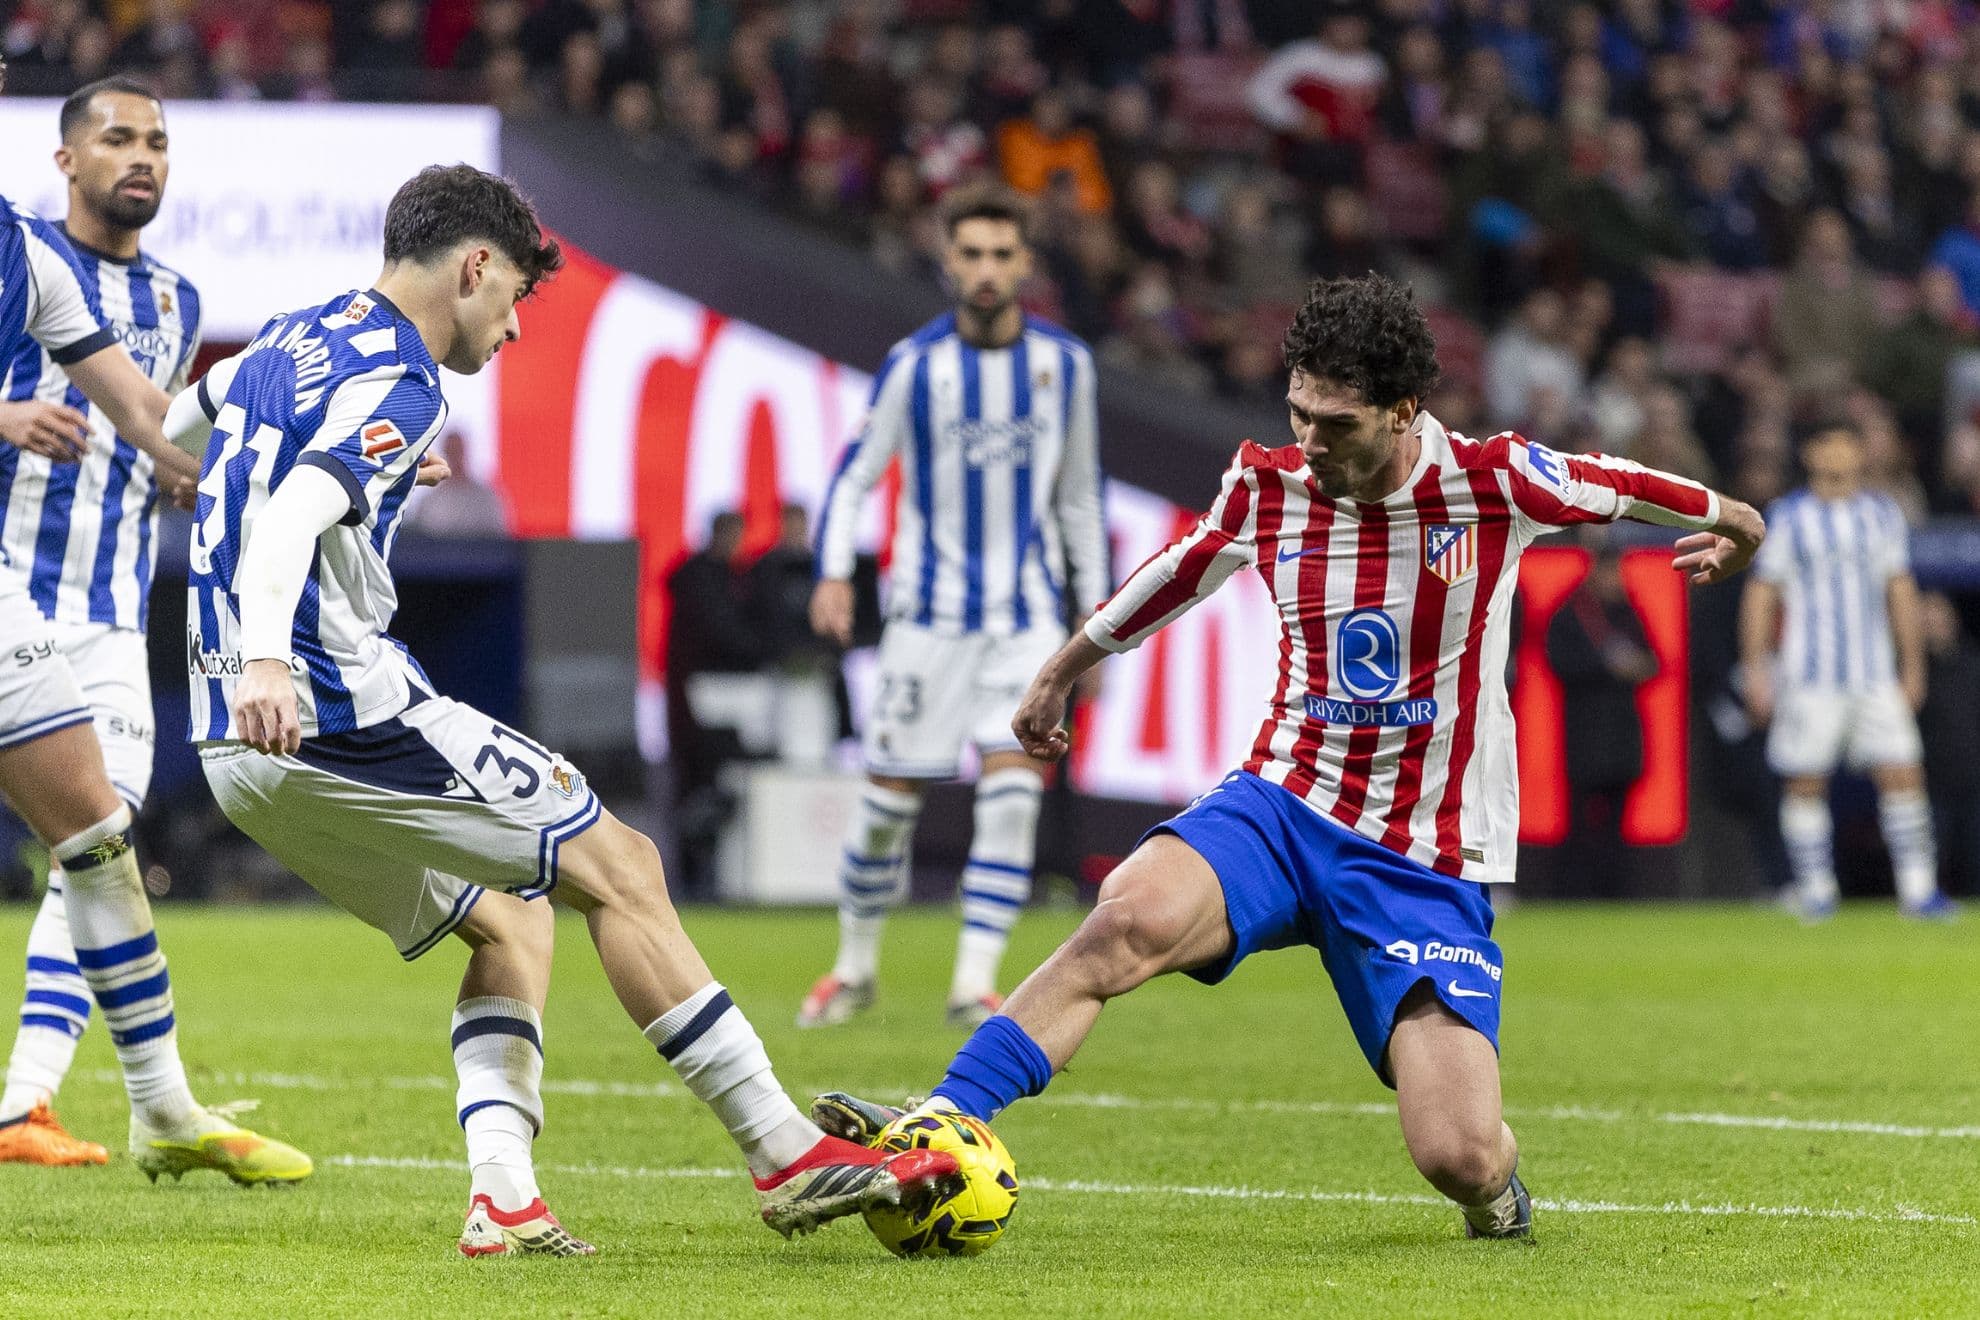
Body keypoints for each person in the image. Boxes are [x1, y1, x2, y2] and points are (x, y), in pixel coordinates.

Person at [810, 274, 1767, 1241]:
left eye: (1335, 424)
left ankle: (1499, 1195)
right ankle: (941, 1118)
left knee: (1459, 1155)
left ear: (1405, 411)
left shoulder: (1493, 480)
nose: (1310, 441)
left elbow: (1627, 484)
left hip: (1418, 855)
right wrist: (1062, 671)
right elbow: (1178, 571)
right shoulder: (1269, 485)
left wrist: (1737, 520)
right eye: (1299, 412)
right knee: (1123, 923)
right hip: (1281, 802)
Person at [173, 164, 961, 1256]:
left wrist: (234, 489)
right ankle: (783, 1149)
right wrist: (270, 654)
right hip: (326, 707)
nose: (513, 331)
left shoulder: (291, 336)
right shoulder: (404, 380)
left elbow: (185, 417)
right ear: (475, 266)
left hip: (233, 744)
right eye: (516, 303)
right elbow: (289, 518)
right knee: (624, 866)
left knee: (514, 916)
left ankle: (503, 1197)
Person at [0, 68, 308, 1182]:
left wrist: (263, 477)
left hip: (104, 609)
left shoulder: (168, 298)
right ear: (64, 157)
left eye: (158, 141)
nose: (142, 157)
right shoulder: (25, 251)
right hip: (16, 580)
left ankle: (38, 1101)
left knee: (96, 832)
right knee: (92, 840)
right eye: (118, 137)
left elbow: (147, 416)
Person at [799, 184, 1109, 1030]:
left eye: (1001, 254)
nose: (985, 269)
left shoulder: (1064, 367)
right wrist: (832, 572)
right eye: (970, 253)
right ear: (947, 261)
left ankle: (975, 984)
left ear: (1025, 265)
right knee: (885, 809)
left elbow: (1080, 501)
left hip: (1026, 622)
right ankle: (854, 968)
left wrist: (1096, 633)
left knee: (1011, 799)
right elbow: (855, 475)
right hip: (925, 622)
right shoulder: (915, 365)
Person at [1738, 426, 1956, 921]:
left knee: (1903, 772)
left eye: (1848, 443)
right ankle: (1816, 890)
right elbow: (1761, 593)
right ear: (1812, 453)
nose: (1840, 453)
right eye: (1830, 443)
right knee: (1804, 781)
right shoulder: (1787, 516)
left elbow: (1899, 590)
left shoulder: (1880, 514)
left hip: (1873, 674)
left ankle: (1918, 891)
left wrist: (1912, 665)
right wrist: (1755, 668)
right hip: (1808, 678)